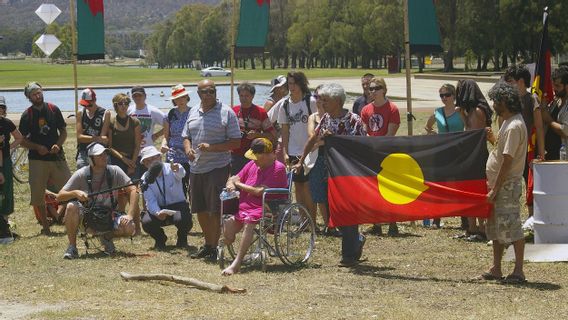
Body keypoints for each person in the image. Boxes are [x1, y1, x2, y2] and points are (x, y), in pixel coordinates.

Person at [295, 83, 367, 267]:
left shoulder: (354, 120)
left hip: (349, 174)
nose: (322, 103)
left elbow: (363, 145)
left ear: (338, 101)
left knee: (346, 211)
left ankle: (348, 255)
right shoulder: (326, 118)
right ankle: (356, 240)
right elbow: (313, 138)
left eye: (326, 100)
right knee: (335, 211)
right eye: (321, 99)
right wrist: (301, 159)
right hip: (329, 171)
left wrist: (334, 138)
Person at [182, 79, 241, 260]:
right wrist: (187, 149)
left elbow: (236, 142)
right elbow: (186, 136)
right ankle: (208, 245)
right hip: (196, 168)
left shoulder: (226, 112)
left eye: (211, 91)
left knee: (214, 209)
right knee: (199, 208)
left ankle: (215, 248)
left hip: (217, 167)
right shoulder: (193, 111)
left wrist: (212, 147)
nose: (208, 95)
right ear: (198, 94)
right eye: (204, 92)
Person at [478, 81, 527, 284]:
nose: (493, 104)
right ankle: (496, 268)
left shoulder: (515, 125)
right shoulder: (506, 121)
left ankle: (518, 271)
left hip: (506, 185)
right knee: (496, 228)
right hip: (499, 184)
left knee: (512, 226)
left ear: (505, 101)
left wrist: (496, 188)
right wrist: (492, 140)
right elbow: (502, 151)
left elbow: (507, 160)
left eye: (496, 100)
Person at [56, 143, 138, 259]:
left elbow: (133, 189)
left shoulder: (115, 170)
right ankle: (72, 247)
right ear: (91, 159)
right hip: (87, 219)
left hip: (109, 217)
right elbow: (59, 196)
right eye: (99, 155)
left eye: (105, 154)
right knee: (71, 206)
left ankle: (107, 237)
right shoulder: (81, 174)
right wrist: (75, 193)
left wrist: (130, 215)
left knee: (130, 227)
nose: (104, 157)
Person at [221, 138, 288, 275]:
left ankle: (237, 263)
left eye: (256, 157)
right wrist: (231, 185)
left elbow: (259, 191)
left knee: (249, 223)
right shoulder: (252, 164)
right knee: (228, 225)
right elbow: (233, 178)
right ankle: (227, 241)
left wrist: (239, 185)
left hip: (267, 208)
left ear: (266, 155)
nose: (254, 160)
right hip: (245, 207)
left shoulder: (278, 168)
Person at [19, 82, 71, 235]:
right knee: (38, 193)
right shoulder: (26, 115)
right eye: (34, 94)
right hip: (37, 159)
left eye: (39, 92)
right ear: (29, 97)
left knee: (70, 188)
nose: (38, 96)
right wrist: (36, 147)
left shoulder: (53, 109)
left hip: (57, 157)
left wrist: (58, 145)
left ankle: (73, 220)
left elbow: (63, 132)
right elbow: (21, 140)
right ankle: (45, 227)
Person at [503, 65, 546, 217]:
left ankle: (532, 220)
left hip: (529, 150)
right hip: (512, 150)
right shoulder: (509, 101)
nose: (507, 85)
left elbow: (539, 127)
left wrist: (541, 153)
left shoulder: (532, 99)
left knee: (530, 186)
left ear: (520, 81)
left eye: (510, 81)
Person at [360, 77, 400, 236]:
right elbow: (364, 132)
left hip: (387, 154)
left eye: (376, 88)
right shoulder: (365, 110)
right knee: (373, 189)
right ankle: (376, 223)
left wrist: (374, 141)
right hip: (370, 154)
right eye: (370, 89)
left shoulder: (392, 109)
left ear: (383, 89)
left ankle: (392, 222)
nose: (372, 91)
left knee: (389, 189)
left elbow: (390, 134)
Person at [276, 71, 317, 224]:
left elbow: (318, 123)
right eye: (289, 84)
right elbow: (285, 131)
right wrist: (285, 152)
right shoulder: (284, 104)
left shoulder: (310, 101)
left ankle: (312, 221)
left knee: (308, 187)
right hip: (293, 151)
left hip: (310, 151)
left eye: (294, 83)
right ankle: (303, 220)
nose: (291, 87)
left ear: (301, 84)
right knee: (298, 186)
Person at [455, 79, 493, 241]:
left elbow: (473, 134)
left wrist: (462, 114)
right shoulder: (470, 111)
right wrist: (462, 114)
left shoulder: (478, 111)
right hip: (470, 155)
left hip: (477, 157)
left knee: (477, 189)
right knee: (469, 189)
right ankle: (472, 228)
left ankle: (481, 227)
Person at [423, 83, 464, 228]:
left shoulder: (461, 112)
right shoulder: (437, 112)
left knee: (460, 185)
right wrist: (431, 132)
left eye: (447, 95)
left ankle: (464, 218)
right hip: (441, 153)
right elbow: (428, 126)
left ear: (454, 96)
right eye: (441, 95)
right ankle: (437, 219)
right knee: (440, 185)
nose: (444, 98)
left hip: (458, 153)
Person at [140, 146, 192, 250]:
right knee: (146, 222)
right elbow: (150, 200)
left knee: (184, 219)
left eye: (154, 158)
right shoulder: (145, 179)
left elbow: (181, 174)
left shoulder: (172, 167)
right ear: (145, 164)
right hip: (159, 207)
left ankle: (182, 238)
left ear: (160, 157)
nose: (152, 162)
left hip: (178, 206)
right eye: (148, 161)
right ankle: (160, 239)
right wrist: (157, 213)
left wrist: (178, 169)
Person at [107, 93, 142, 234]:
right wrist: (123, 159)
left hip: (133, 161)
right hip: (117, 161)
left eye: (126, 103)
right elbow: (109, 147)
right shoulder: (111, 122)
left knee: (133, 194)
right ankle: (119, 225)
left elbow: (137, 144)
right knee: (119, 195)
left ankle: (138, 228)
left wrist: (132, 162)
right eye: (120, 104)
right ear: (115, 106)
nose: (124, 106)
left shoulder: (135, 122)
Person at [231, 82, 275, 175]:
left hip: (254, 155)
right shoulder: (233, 111)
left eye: (247, 96)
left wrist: (257, 135)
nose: (243, 98)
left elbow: (271, 135)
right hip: (235, 155)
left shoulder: (261, 112)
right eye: (241, 95)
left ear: (252, 96)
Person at [128, 86, 166, 178]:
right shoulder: (129, 110)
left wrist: (156, 135)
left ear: (145, 96)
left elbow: (167, 124)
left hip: (149, 153)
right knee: (134, 179)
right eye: (135, 96)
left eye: (140, 95)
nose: (137, 98)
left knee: (150, 178)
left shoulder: (152, 110)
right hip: (133, 152)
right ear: (132, 97)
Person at [161, 84, 192, 197]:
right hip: (173, 155)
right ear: (174, 100)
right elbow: (166, 136)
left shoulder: (194, 112)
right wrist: (164, 145)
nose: (181, 100)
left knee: (192, 187)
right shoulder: (169, 114)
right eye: (178, 98)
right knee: (177, 186)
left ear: (187, 97)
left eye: (183, 97)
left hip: (190, 155)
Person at [0, 96, 24, 242]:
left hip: (6, 160)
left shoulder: (7, 123)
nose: (0, 110)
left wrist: (9, 147)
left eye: (2, 108)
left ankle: (4, 221)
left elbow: (19, 138)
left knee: (7, 190)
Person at [75, 88, 111, 169]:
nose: (87, 107)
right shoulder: (80, 113)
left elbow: (103, 139)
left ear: (95, 100)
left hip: (99, 151)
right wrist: (98, 138)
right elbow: (80, 137)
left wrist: (89, 138)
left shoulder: (105, 113)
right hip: (84, 151)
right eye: (84, 105)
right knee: (81, 167)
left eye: (89, 105)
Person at [542, 66, 568, 160]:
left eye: (558, 86)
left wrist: (549, 120)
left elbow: (565, 131)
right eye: (553, 85)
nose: (554, 89)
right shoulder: (556, 101)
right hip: (551, 154)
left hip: (564, 158)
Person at [265, 75, 289, 164]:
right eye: (284, 86)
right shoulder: (271, 102)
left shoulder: (283, 100)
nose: (287, 88)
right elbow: (265, 123)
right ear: (276, 88)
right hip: (273, 140)